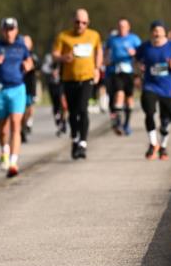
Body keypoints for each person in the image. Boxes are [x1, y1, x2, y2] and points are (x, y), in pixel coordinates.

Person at [0, 18, 33, 178]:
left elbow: (29, 60)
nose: (9, 32)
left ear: (16, 30)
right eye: (6, 29)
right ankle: (4, 150)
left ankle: (13, 162)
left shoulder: (21, 46)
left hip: (17, 88)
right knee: (3, 128)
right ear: (2, 30)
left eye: (12, 29)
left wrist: (28, 65)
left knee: (16, 125)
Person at [135, 21, 171, 161]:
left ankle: (163, 146)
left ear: (164, 32)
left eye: (159, 30)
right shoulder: (145, 47)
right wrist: (139, 68)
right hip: (150, 85)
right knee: (149, 111)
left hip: (166, 88)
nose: (157, 33)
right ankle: (153, 144)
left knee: (166, 120)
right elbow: (135, 60)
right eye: (154, 30)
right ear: (151, 32)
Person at [52, 8, 103, 159]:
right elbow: (54, 54)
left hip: (86, 78)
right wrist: (63, 58)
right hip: (69, 79)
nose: (80, 25)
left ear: (88, 23)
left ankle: (83, 142)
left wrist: (97, 68)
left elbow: (98, 51)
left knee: (83, 109)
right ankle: (75, 139)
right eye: (77, 22)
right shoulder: (63, 36)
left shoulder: (94, 35)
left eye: (84, 22)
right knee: (73, 113)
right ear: (73, 22)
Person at [103, 17, 141, 136]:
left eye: (124, 26)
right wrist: (105, 60)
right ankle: (118, 121)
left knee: (129, 99)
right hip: (116, 70)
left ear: (128, 27)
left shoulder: (134, 39)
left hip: (129, 70)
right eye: (120, 26)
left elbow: (141, 53)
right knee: (119, 93)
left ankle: (127, 124)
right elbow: (105, 51)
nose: (121, 28)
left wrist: (135, 53)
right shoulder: (112, 39)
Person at [20, 34, 39, 142]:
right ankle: (21, 130)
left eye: (28, 42)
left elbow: (38, 66)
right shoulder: (18, 54)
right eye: (24, 42)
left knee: (30, 110)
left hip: (30, 86)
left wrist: (30, 64)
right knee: (21, 111)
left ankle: (25, 124)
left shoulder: (32, 56)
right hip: (20, 85)